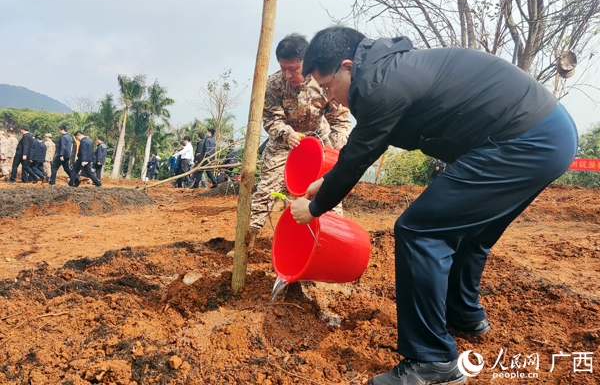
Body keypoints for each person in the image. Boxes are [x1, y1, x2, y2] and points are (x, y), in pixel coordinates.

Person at [290, 26, 578, 385]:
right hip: (551, 133)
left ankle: (432, 360)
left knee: (419, 231)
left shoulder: (376, 84)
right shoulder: (390, 68)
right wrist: (323, 185)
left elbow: (358, 157)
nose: (331, 98)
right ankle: (464, 314)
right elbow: (361, 151)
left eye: (328, 85)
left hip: (523, 139)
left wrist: (315, 209)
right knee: (469, 234)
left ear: (347, 66)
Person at [232, 34, 352, 258]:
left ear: (305, 62)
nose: (289, 75)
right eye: (284, 68)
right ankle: (246, 245)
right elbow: (270, 119)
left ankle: (336, 245)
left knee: (330, 191)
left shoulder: (323, 80)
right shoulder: (274, 84)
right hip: (285, 142)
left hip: (319, 142)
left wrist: (335, 150)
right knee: (266, 190)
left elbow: (341, 120)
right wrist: (286, 134)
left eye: (294, 69)